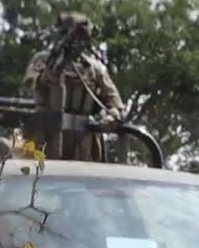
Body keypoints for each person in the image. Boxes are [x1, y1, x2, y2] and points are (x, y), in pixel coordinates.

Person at [22, 12, 126, 161]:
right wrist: (45, 77)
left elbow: (114, 100)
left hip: (83, 141)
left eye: (82, 37)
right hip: (45, 137)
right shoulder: (44, 59)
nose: (78, 42)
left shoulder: (94, 68)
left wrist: (112, 114)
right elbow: (29, 81)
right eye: (74, 36)